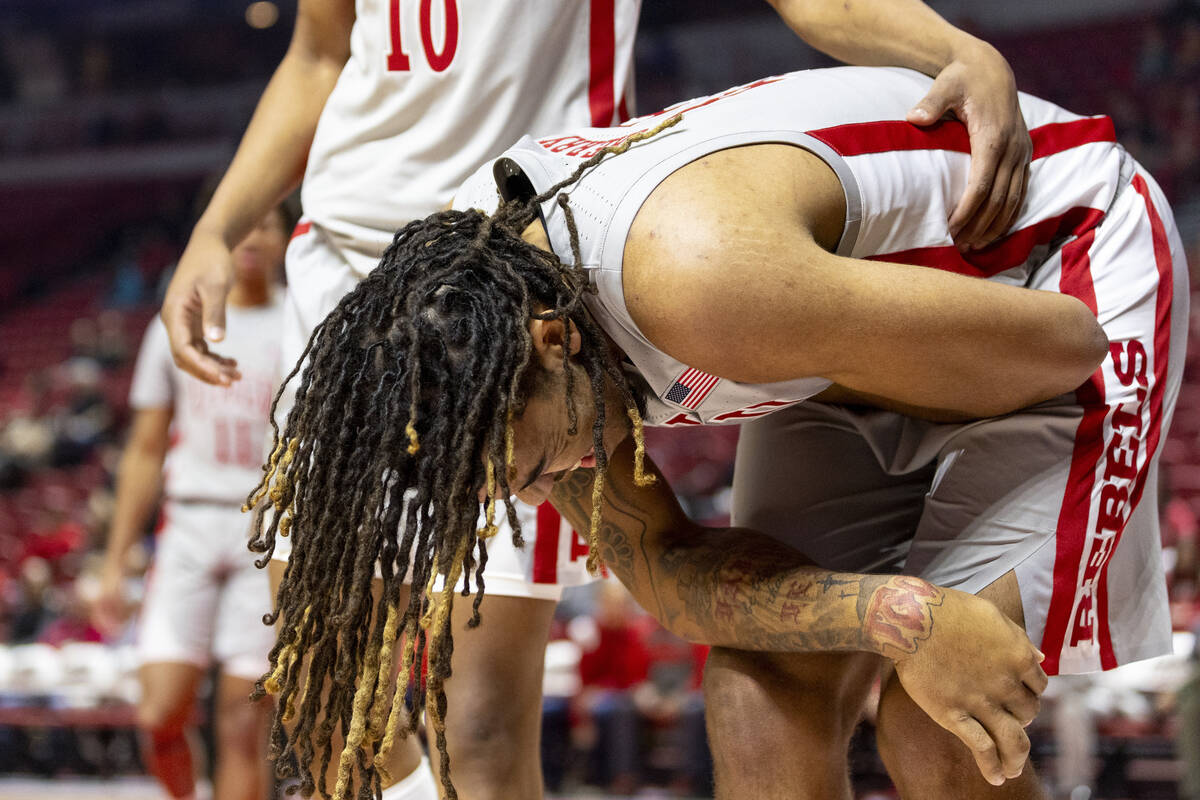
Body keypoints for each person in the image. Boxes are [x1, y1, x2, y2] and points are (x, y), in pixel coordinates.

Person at [159, 2, 1033, 797]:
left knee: (483, 731)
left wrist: (953, 47)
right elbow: (320, 56)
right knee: (329, 708)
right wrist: (215, 227)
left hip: (510, 299)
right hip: (349, 287)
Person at [95, 202, 295, 800]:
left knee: (243, 722)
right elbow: (145, 449)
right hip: (189, 524)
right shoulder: (177, 323)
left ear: (289, 237)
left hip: (268, 531)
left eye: (269, 222)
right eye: (244, 221)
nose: (255, 234)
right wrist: (113, 562)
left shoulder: (302, 322)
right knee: (159, 716)